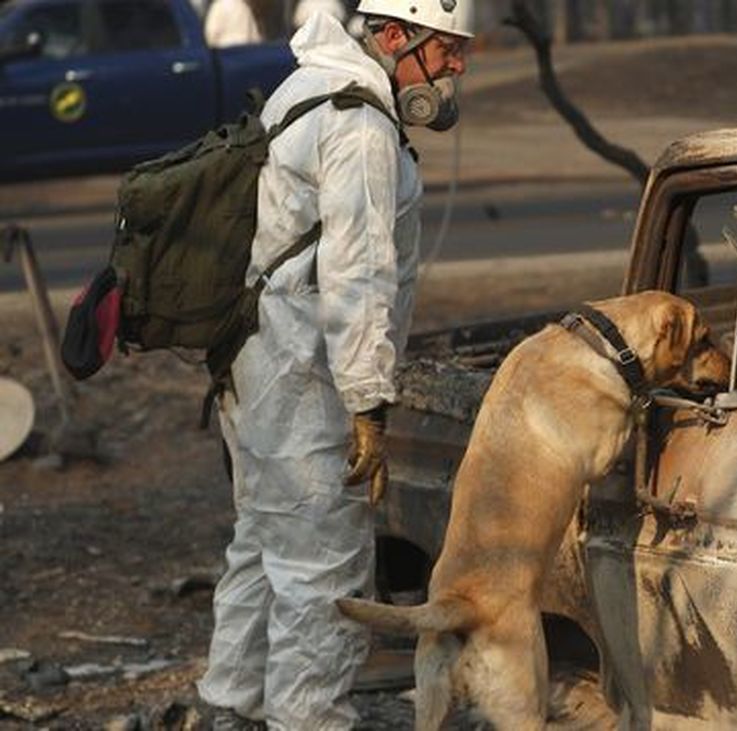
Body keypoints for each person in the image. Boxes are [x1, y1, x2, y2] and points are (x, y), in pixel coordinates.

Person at [195, 1, 471, 728]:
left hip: (255, 365)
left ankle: (228, 706)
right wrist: (367, 403)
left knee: (264, 544)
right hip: (301, 380)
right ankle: (307, 717)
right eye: (444, 49)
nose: (456, 66)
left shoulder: (309, 86)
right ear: (391, 36)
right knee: (324, 573)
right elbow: (358, 277)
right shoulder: (359, 127)